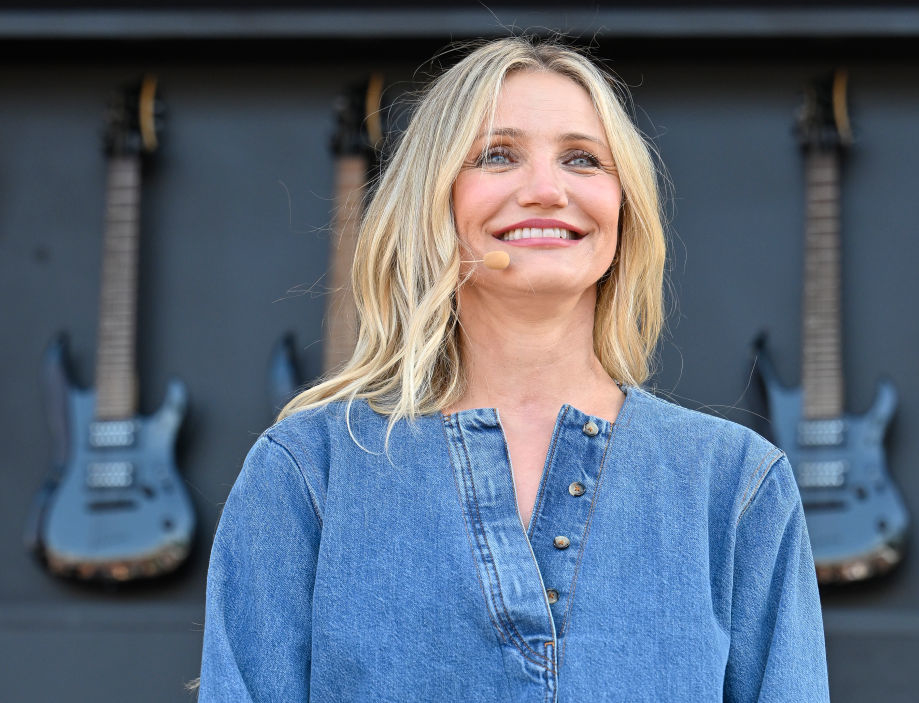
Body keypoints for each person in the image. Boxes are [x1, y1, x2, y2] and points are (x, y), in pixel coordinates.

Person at [199, 36, 829, 702]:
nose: (546, 189)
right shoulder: (308, 472)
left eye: (582, 159)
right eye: (499, 155)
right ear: (435, 198)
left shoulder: (736, 487)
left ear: (624, 206)